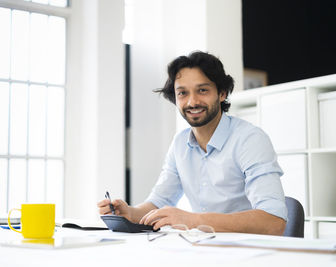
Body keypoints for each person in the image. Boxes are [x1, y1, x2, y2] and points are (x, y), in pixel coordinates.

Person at [98, 51, 287, 235]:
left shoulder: (249, 140)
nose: (192, 102)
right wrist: (130, 213)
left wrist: (193, 220)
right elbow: (159, 201)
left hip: (249, 253)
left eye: (202, 90)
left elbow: (273, 221)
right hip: (203, 248)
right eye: (182, 93)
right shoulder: (180, 143)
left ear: (221, 93)